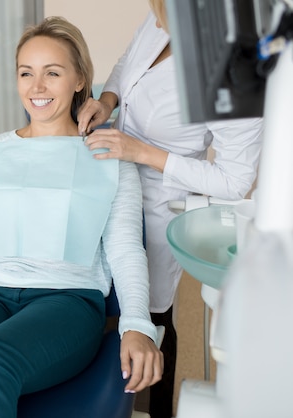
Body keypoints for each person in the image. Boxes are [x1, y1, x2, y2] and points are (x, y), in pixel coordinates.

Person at [0, 16, 163, 417]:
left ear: (78, 80)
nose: (36, 87)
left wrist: (137, 325)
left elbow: (125, 248)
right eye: (26, 73)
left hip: (67, 299)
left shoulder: (109, 156)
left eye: (52, 73)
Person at [77, 1, 263, 417]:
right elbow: (129, 64)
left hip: (160, 198)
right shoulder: (166, 18)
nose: (157, 15)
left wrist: (143, 152)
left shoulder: (238, 68)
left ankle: (159, 408)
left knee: (152, 310)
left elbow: (234, 181)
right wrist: (107, 101)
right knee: (101, 291)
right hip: (111, 175)